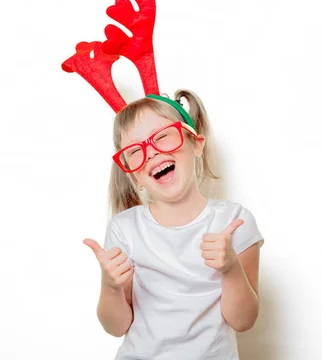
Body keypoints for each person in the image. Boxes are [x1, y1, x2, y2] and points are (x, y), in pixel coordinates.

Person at [82, 89, 265, 360]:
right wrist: (110, 286)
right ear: (133, 176)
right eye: (135, 150)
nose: (152, 153)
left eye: (162, 136)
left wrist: (230, 269)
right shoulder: (125, 229)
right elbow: (116, 326)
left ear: (196, 144)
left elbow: (244, 321)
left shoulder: (233, 222)